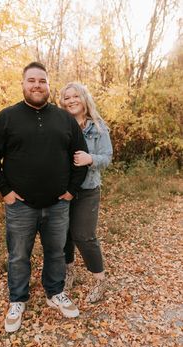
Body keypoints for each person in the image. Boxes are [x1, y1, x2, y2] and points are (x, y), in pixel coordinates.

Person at [0, 62, 88, 332]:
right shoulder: (6, 118)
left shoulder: (64, 119)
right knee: (18, 255)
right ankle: (17, 299)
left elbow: (80, 156)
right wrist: (5, 191)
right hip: (21, 206)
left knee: (56, 252)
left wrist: (71, 190)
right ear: (23, 84)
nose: (37, 85)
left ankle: (55, 293)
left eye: (42, 81)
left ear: (49, 85)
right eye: (32, 80)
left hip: (58, 204)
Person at [60, 82, 113, 303]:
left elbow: (107, 157)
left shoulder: (98, 127)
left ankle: (100, 281)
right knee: (64, 234)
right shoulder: (60, 124)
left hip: (88, 190)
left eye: (75, 96)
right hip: (62, 189)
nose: (71, 100)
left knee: (84, 235)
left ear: (84, 99)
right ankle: (68, 272)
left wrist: (90, 159)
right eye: (67, 97)